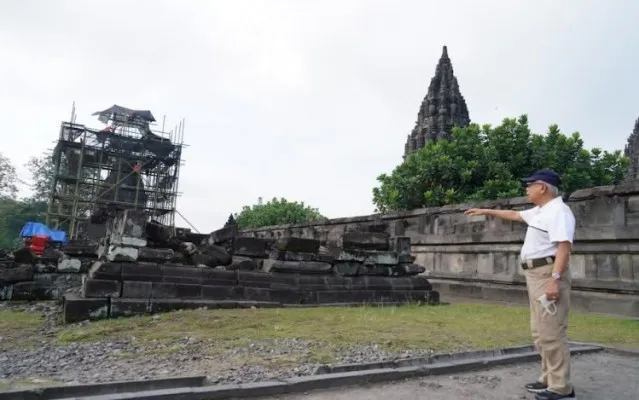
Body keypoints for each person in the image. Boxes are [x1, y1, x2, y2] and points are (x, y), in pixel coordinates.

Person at [465, 169, 576, 400]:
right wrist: (486, 210)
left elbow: (564, 247)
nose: (526, 189)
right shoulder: (541, 211)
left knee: (552, 331)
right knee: (540, 331)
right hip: (535, 274)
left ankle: (561, 388)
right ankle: (548, 378)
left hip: (548, 273)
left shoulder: (559, 212)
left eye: (530, 185)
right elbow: (514, 215)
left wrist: (554, 281)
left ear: (543, 187)